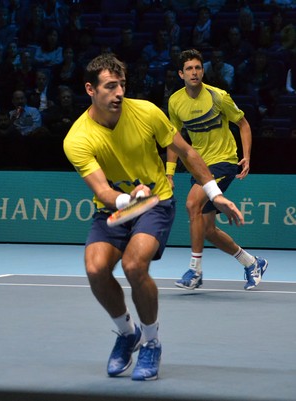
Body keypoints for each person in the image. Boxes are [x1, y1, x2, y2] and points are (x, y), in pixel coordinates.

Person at [63, 53, 244, 381]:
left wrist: (216, 195)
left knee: (134, 265)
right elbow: (102, 190)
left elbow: (188, 152)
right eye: (110, 86)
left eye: (121, 85)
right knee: (95, 268)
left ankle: (150, 342)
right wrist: (125, 199)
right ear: (91, 89)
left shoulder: (146, 112)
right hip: (114, 207)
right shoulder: (76, 138)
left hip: (157, 202)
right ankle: (126, 332)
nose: (118, 92)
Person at [167, 49, 268, 291]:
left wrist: (246, 156)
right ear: (181, 74)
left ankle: (195, 270)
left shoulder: (218, 96)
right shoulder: (175, 102)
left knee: (192, 204)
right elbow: (173, 138)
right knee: (208, 229)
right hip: (199, 165)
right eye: (189, 69)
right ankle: (252, 263)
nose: (194, 72)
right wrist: (169, 173)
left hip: (224, 160)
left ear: (203, 71)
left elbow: (242, 123)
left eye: (198, 68)